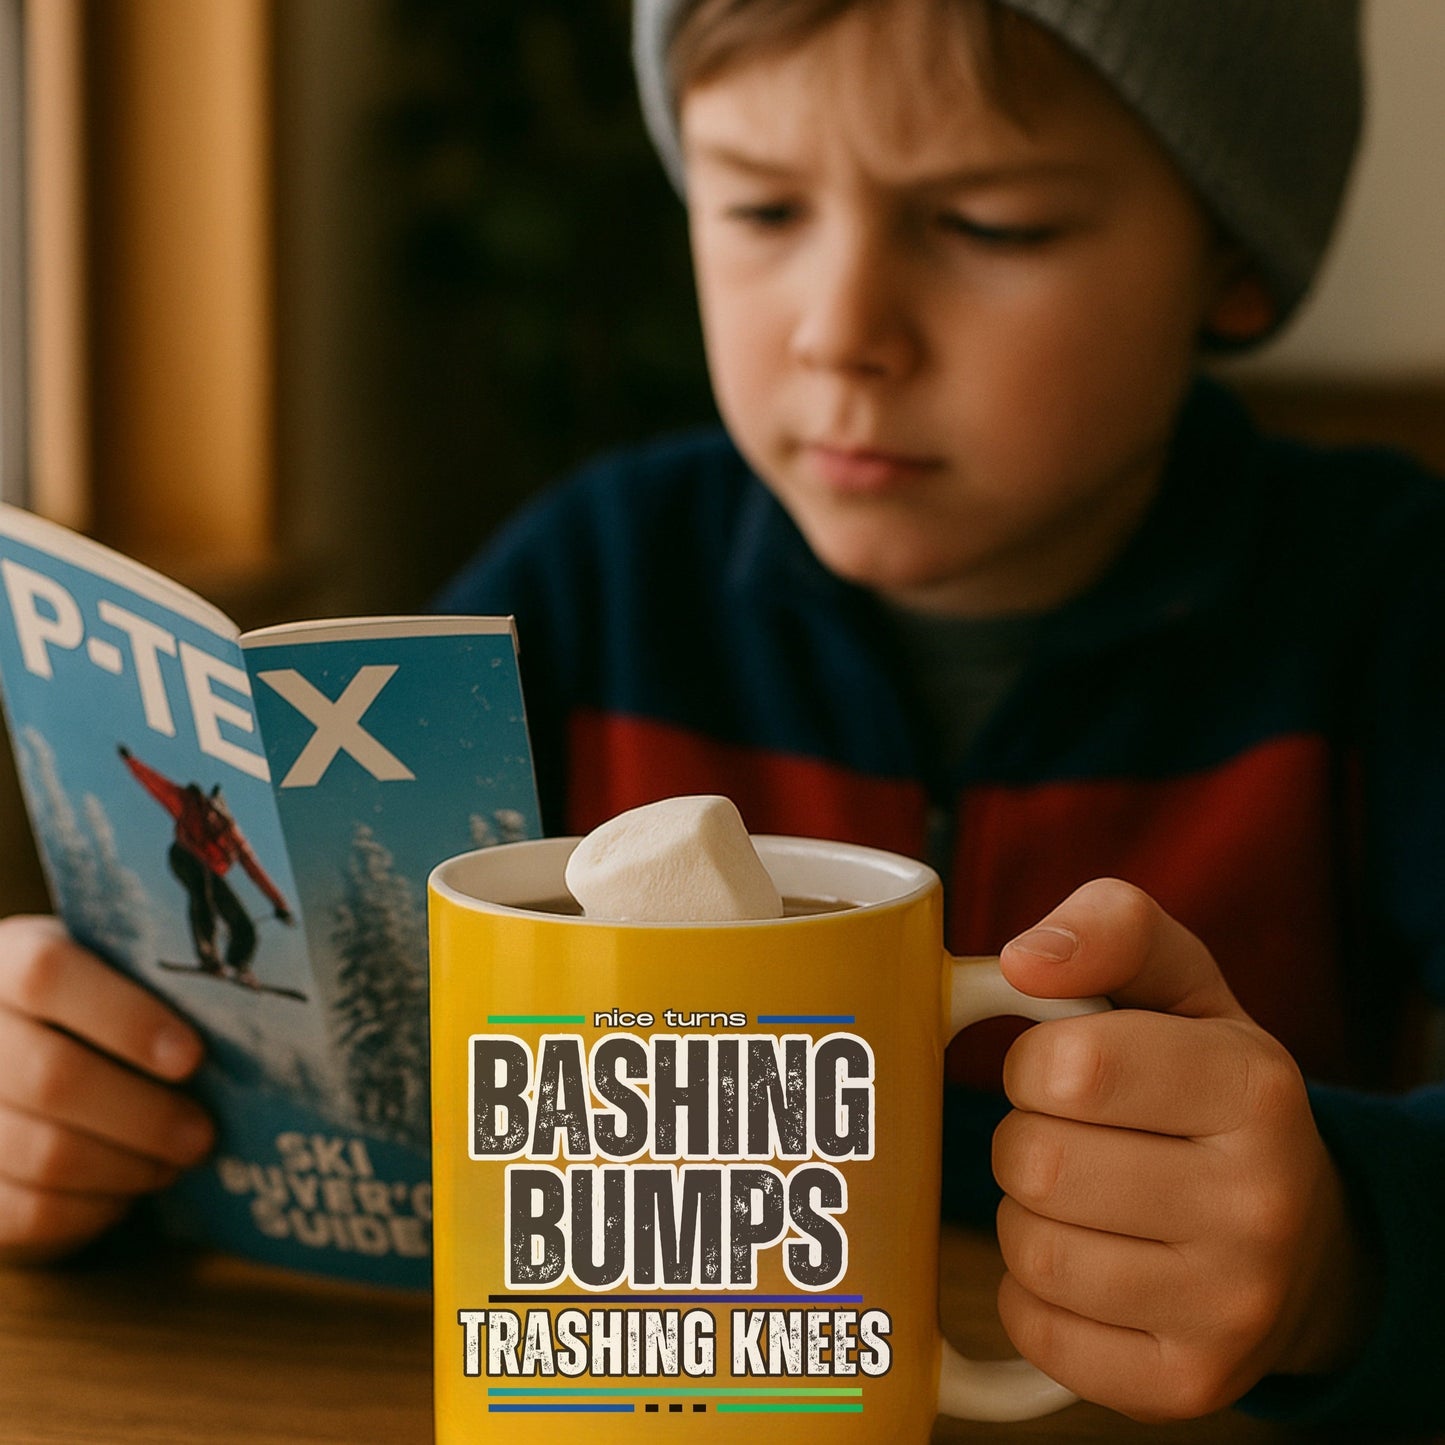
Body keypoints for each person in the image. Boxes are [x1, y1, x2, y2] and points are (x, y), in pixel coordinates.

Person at [0, 0, 1439, 1429]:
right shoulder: (593, 580)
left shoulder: (1390, 607)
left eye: (991, 225)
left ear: (1233, 254)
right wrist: (90, 1120)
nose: (839, 333)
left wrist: (1345, 1252)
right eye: (757, 207)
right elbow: (333, 1092)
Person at [118, 745, 295, 986]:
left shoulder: (232, 837)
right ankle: (208, 952)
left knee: (243, 924)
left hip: (211, 873)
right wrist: (131, 761)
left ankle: (238, 965)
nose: (212, 820)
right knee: (202, 890)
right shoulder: (190, 805)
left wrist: (280, 906)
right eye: (210, 812)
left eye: (217, 817)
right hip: (182, 857)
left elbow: (255, 872)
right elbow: (157, 785)